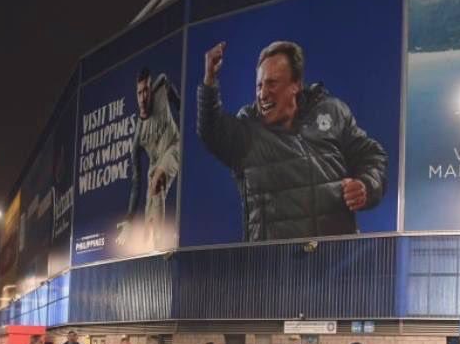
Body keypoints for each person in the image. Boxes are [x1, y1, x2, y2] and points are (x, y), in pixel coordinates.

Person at [198, 40, 388, 241]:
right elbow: (211, 131)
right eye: (259, 85)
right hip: (276, 266)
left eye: (272, 83)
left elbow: (373, 157)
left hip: (336, 263)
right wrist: (209, 82)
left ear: (295, 85)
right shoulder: (247, 131)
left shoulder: (333, 112)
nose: (262, 94)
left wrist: (366, 185)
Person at [123, 68, 180, 250]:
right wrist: (129, 219)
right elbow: (136, 182)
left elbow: (177, 99)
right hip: (154, 167)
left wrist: (185, 112)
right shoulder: (138, 137)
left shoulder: (161, 86)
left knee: (157, 182)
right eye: (140, 92)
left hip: (174, 146)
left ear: (150, 86)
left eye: (146, 90)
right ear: (136, 94)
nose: (144, 96)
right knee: (147, 230)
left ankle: (163, 244)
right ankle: (157, 249)